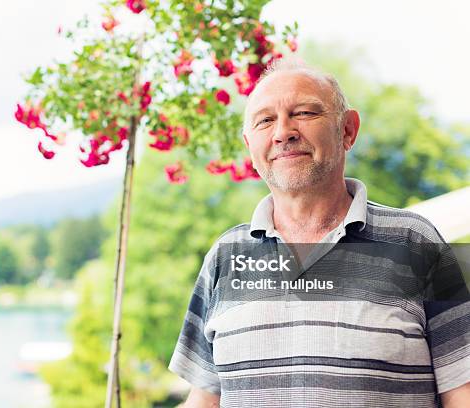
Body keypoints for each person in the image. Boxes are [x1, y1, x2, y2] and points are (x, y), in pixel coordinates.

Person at [168, 59, 470, 407]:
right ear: (250, 145)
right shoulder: (225, 257)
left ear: (347, 130)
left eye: (305, 113)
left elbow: (462, 394)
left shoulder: (416, 243)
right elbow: (204, 401)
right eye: (265, 120)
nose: (283, 132)